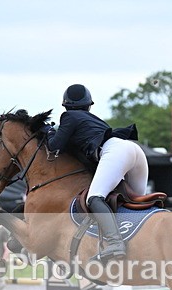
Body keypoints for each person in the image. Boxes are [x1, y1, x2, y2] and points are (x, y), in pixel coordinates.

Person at [43, 84, 148, 261]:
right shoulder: (93, 120)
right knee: (137, 204)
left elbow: (54, 146)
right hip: (134, 150)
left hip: (115, 151)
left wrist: (49, 132)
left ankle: (115, 243)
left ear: (66, 105)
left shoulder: (68, 116)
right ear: (88, 105)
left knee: (94, 198)